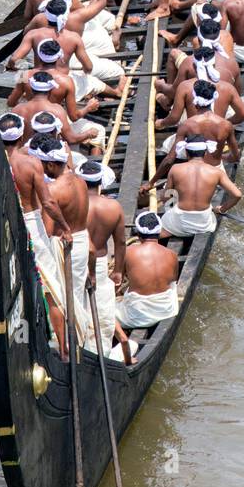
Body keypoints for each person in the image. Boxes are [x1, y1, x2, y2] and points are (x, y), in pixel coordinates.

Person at [0, 114, 71, 353]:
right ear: (21, 135)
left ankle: (23, 343)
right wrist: (66, 228)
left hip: (4, 228)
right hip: (30, 224)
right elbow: (48, 203)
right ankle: (64, 349)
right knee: (52, 289)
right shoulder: (30, 164)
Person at [32, 134, 91, 350]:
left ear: (50, 164)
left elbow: (48, 231)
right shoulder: (81, 181)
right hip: (82, 240)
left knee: (62, 297)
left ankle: (74, 345)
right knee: (75, 294)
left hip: (64, 246)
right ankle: (80, 343)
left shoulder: (54, 190)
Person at [77, 158, 130, 359]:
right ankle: (102, 355)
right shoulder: (113, 207)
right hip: (98, 266)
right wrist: (118, 271)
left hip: (76, 263)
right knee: (102, 314)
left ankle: (79, 352)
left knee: (77, 308)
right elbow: (121, 243)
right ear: (100, 183)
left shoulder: (75, 205)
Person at [158, 138, 243, 237]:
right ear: (206, 152)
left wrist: (168, 199)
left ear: (186, 152)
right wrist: (221, 209)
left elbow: (166, 197)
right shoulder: (216, 172)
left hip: (179, 222)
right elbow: (237, 195)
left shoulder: (175, 168)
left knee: (168, 199)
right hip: (203, 224)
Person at [116, 210, 180, 331]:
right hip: (166, 311)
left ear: (138, 235)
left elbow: (117, 281)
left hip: (137, 316)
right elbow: (173, 280)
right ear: (159, 232)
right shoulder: (172, 255)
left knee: (104, 310)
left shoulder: (128, 251)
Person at [155, 74, 244, 133]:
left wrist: (161, 123)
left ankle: (160, 98)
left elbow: (174, 118)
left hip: (191, 136)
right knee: (242, 101)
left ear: (196, 104)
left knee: (165, 147)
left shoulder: (187, 126)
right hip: (219, 136)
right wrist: (225, 123)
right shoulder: (228, 87)